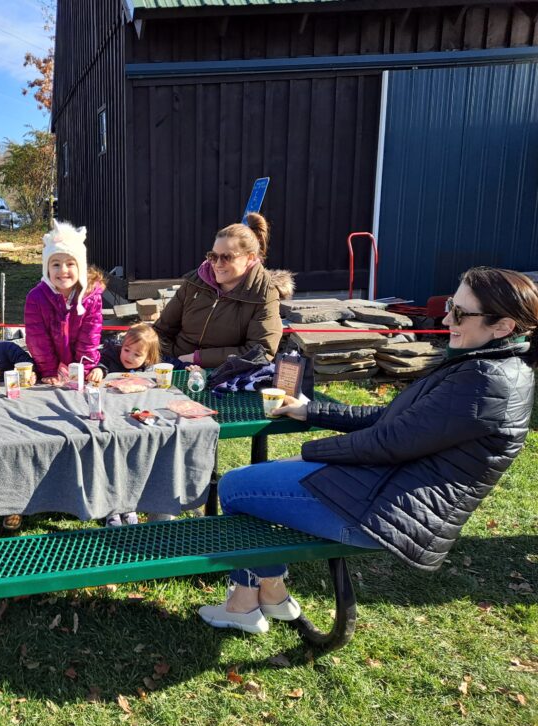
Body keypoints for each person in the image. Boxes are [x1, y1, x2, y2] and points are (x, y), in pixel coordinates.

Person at [198, 267, 537, 634]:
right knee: (254, 489)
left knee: (235, 488)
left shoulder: (485, 379)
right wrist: (311, 410)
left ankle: (250, 600)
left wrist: (308, 453)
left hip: (381, 513)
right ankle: (268, 594)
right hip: (380, 490)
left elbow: (387, 442)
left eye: (459, 313)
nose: (444, 317)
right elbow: (392, 420)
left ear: (502, 327)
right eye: (452, 305)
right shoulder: (488, 366)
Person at [153, 213, 293, 368]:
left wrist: (198, 358)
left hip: (223, 374)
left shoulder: (264, 294)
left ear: (250, 258)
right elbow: (162, 330)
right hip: (174, 364)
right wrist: (156, 353)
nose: (217, 264)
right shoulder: (195, 281)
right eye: (213, 256)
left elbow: (260, 352)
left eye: (227, 257)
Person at [24, 221, 105, 384]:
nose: (62, 270)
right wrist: (49, 371)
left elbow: (90, 337)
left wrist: (83, 370)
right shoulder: (35, 298)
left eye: (70, 264)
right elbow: (37, 339)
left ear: (80, 267)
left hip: (82, 368)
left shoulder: (91, 297)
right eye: (55, 264)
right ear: (46, 268)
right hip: (48, 369)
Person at [93, 323, 186, 381]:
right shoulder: (112, 355)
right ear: (122, 346)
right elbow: (102, 361)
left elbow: (173, 364)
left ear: (148, 358)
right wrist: (99, 370)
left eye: (137, 354)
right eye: (126, 350)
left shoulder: (153, 363)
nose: (129, 357)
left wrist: (187, 367)